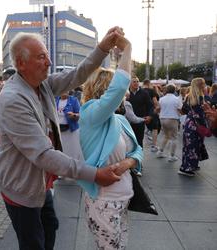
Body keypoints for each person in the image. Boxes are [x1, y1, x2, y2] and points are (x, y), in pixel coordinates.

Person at [0, 27, 125, 250]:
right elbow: (43, 154)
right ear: (21, 63)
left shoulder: (40, 84)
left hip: (39, 182)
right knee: (33, 242)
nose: (49, 62)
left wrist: (103, 47)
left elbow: (77, 75)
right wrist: (94, 175)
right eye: (41, 57)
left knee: (50, 226)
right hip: (21, 186)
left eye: (47, 55)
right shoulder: (13, 99)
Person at [78, 39, 143, 249]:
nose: (125, 93)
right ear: (106, 88)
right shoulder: (90, 114)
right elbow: (118, 89)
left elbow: (138, 150)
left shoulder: (120, 119)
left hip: (125, 198)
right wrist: (127, 48)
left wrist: (129, 163)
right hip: (104, 201)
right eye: (117, 89)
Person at [179, 78, 209, 176]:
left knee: (189, 146)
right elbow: (200, 115)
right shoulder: (200, 97)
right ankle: (187, 168)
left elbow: (183, 110)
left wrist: (191, 114)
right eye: (204, 84)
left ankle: (188, 165)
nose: (205, 86)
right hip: (196, 125)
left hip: (189, 123)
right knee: (194, 146)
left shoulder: (189, 96)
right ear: (200, 85)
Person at [156, 83, 182, 162]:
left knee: (166, 136)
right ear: (174, 90)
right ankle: (172, 155)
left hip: (163, 118)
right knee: (174, 137)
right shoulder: (177, 99)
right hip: (172, 118)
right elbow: (180, 108)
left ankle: (160, 151)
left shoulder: (162, 99)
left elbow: (158, 108)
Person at [55, 92, 83, 160]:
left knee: (72, 151)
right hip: (58, 130)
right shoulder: (55, 100)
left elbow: (80, 115)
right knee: (60, 150)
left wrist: (74, 115)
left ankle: (73, 166)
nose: (65, 91)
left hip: (71, 131)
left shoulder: (74, 100)